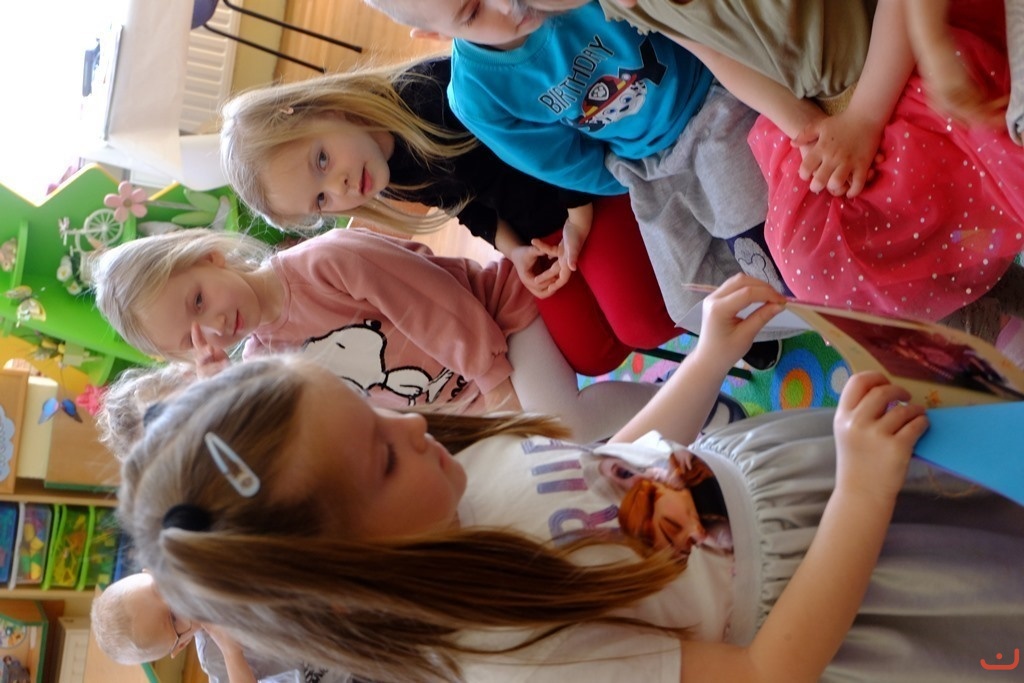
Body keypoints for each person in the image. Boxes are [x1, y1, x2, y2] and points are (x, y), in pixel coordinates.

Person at [114, 274, 1024, 682]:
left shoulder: (441, 474)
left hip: (797, 481)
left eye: (375, 411)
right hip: (852, 593)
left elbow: (612, 467)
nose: (414, 422)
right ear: (348, 569)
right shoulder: (503, 651)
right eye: (381, 455)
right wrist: (862, 491)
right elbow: (764, 671)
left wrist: (707, 359)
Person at [220, 55, 683, 377]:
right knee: (591, 354)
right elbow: (466, 204)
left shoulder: (432, 95)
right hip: (544, 229)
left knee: (643, 324)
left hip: (584, 187)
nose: (339, 187)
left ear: (326, 110)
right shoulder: (376, 173)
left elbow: (550, 132)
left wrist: (577, 219)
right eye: (321, 201)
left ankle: (684, 237)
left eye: (321, 160)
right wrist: (514, 250)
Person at [363, 0, 784, 324]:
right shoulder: (476, 95)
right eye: (473, 11)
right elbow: (559, 161)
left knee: (756, 246)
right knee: (688, 303)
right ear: (435, 34)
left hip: (709, 99)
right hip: (641, 165)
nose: (508, 5)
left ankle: (775, 303)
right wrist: (634, 180)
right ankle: (756, 324)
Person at [92, 227, 661, 441]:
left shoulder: (325, 262)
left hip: (500, 325)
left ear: (211, 257)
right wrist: (226, 390)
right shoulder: (266, 360)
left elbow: (440, 310)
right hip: (463, 399)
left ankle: (701, 404)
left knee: (565, 431)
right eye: (192, 337)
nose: (216, 325)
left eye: (199, 300)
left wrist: (496, 388)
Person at [91, 572, 345, 683]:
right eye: (173, 618)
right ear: (181, 643)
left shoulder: (208, 566)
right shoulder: (215, 656)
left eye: (161, 587)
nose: (179, 600)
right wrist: (232, 654)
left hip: (330, 606)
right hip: (332, 669)